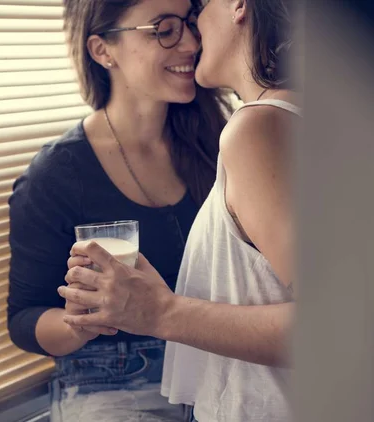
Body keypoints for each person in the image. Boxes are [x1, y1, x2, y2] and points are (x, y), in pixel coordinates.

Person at [59, 0, 300, 421]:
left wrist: (160, 313)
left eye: (196, 12)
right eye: (169, 27)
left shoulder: (256, 129)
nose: (191, 37)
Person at [7, 0, 231, 420]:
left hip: (215, 361)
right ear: (102, 50)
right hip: (113, 380)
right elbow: (24, 319)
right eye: (164, 28)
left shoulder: (221, 141)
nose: (190, 42)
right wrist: (80, 321)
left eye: (190, 21)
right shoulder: (54, 175)